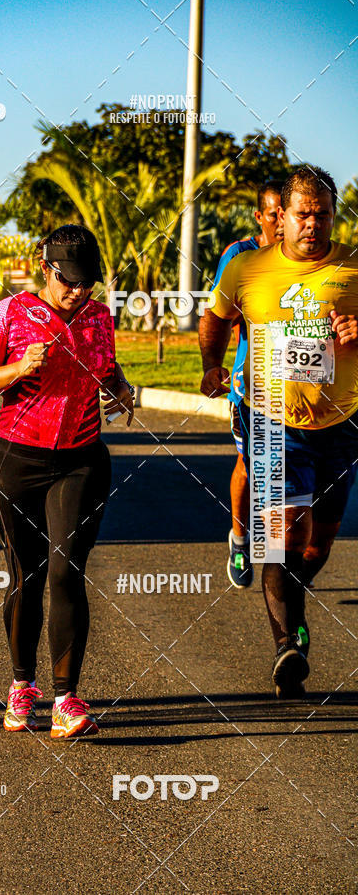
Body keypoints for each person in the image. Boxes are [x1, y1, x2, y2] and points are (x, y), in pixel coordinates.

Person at [0, 224, 135, 737]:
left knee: (66, 572)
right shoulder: (10, 313)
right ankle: (22, 685)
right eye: (69, 281)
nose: (78, 291)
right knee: (28, 576)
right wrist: (16, 368)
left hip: (81, 459)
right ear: (46, 270)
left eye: (87, 282)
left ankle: (67, 700)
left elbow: (108, 368)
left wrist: (123, 389)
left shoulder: (100, 317)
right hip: (16, 461)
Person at [200, 165, 358, 698]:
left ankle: (292, 600)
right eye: (303, 214)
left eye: (324, 214)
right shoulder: (247, 268)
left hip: (342, 423)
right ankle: (287, 647)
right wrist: (210, 365)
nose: (314, 224)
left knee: (317, 548)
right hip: (271, 416)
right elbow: (215, 317)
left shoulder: (355, 268)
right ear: (282, 217)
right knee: (283, 537)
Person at [211, 181, 284, 588]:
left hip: (301, 385)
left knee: (289, 471)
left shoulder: (307, 258)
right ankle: (241, 538)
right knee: (254, 465)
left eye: (283, 214)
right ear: (260, 216)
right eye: (271, 214)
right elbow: (220, 313)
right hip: (251, 382)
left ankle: (278, 555)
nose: (279, 222)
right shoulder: (241, 255)